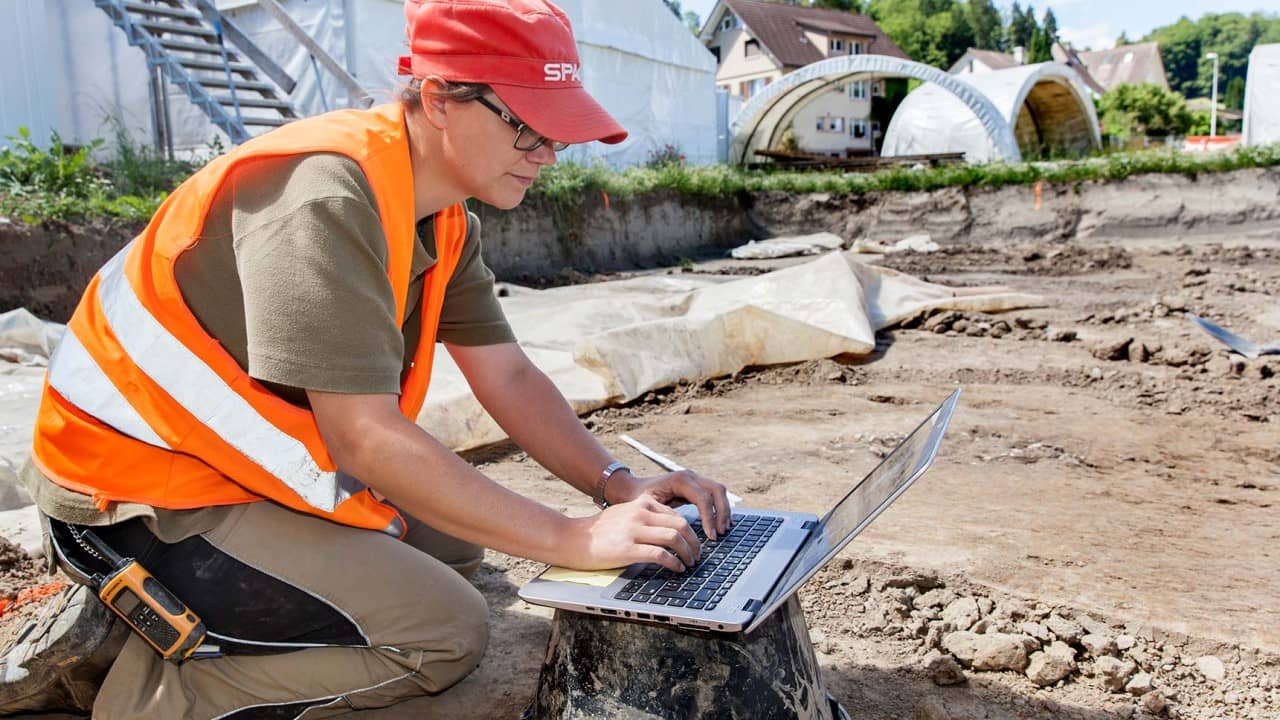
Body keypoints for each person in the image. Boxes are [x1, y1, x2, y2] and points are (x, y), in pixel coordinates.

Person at [0, 0, 731, 717]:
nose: (547, 153)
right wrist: (570, 536)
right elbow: (363, 437)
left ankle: (202, 629)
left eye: (558, 134)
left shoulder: (441, 215)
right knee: (443, 631)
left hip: (223, 464)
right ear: (441, 98)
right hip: (132, 496)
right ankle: (136, 689)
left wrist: (617, 486)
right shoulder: (323, 194)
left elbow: (506, 373)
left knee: (456, 550)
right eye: (527, 127)